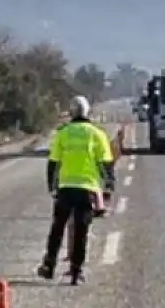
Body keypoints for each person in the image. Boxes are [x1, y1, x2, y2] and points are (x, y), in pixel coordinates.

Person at [37, 95, 117, 286]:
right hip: (87, 189)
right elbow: (106, 165)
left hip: (65, 188)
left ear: (71, 112)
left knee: (57, 228)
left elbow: (53, 163)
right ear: (88, 111)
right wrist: (109, 188)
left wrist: (52, 187)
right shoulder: (97, 134)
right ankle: (76, 271)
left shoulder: (63, 133)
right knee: (81, 230)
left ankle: (49, 265)